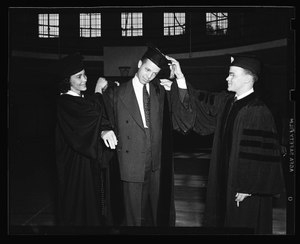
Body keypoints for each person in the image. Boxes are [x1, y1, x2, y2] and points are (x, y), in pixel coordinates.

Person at [161, 54, 285, 234]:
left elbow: (261, 155)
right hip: (224, 179)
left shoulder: (258, 111)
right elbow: (199, 100)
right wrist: (178, 80)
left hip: (244, 189)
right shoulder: (227, 102)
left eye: (232, 74)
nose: (227, 78)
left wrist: (249, 187)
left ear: (248, 79)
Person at [101, 43, 194, 227]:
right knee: (133, 219)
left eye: (154, 73)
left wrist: (180, 78)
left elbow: (184, 112)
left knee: (158, 217)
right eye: (147, 70)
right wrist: (104, 129)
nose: (149, 76)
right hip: (131, 164)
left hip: (157, 164)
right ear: (138, 64)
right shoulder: (116, 93)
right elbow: (103, 117)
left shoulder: (160, 91)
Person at [54, 53, 119, 226]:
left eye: (84, 74)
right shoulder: (65, 102)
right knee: (79, 210)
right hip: (75, 166)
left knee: (93, 206)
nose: (84, 79)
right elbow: (93, 114)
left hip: (87, 163)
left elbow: (94, 107)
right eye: (79, 76)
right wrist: (98, 90)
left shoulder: (81, 99)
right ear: (67, 81)